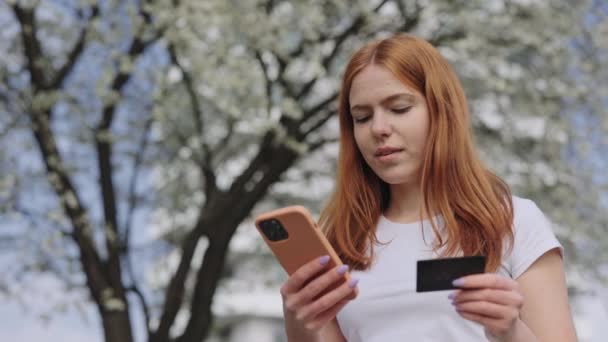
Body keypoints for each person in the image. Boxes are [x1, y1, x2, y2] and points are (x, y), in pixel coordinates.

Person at [279, 34, 578, 341]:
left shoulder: (513, 220)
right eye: (362, 117)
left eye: (399, 108)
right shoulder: (339, 240)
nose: (378, 128)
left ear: (442, 112)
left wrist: (510, 330)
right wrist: (297, 318)